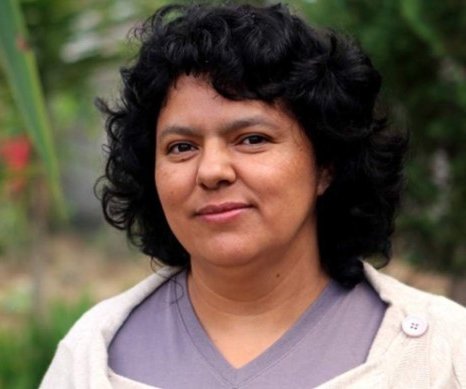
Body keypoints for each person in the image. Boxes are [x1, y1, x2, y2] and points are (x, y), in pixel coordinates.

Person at [42, 3, 466, 388]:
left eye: (251, 139)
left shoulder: (442, 352)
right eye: (181, 147)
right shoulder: (93, 359)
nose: (211, 171)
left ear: (326, 165)